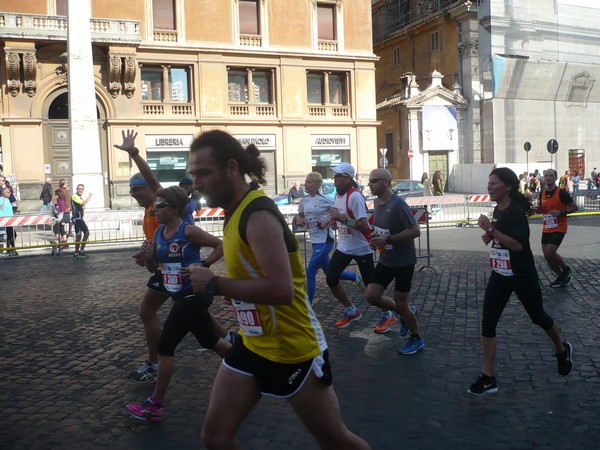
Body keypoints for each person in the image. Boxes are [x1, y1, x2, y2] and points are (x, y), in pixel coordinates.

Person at [187, 130, 371, 450]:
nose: (196, 183)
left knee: (334, 439)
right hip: (254, 343)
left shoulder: (256, 213)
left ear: (231, 168)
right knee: (215, 437)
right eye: (192, 174)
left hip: (293, 348)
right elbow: (254, 275)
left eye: (203, 173)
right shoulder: (235, 211)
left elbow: (281, 290)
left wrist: (215, 284)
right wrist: (235, 288)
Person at [114, 129, 234, 384]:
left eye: (136, 190)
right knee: (184, 319)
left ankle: (156, 365)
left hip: (186, 278)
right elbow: (152, 264)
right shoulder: (157, 216)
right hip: (165, 272)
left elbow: (153, 181)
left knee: (186, 324)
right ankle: (232, 343)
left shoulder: (170, 207)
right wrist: (148, 257)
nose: (133, 195)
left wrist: (134, 153)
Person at [125, 186, 230, 423]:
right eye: (155, 206)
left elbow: (220, 245)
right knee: (211, 341)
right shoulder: (159, 235)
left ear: (174, 208)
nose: (155, 211)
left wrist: (204, 265)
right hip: (179, 296)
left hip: (195, 294)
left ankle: (155, 406)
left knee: (165, 346)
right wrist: (148, 258)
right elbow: (155, 270)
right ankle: (253, 369)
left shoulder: (188, 230)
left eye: (160, 206)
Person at [467, 167, 572, 396]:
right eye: (489, 183)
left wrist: (490, 229)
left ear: (508, 187)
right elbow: (500, 237)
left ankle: (561, 349)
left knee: (538, 317)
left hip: (522, 274)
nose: (489, 187)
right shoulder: (498, 208)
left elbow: (517, 245)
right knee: (488, 322)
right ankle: (488, 378)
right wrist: (490, 236)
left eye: (494, 183)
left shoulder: (515, 211)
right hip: (500, 273)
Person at [365, 169, 424, 353]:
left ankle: (416, 338)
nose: (369, 184)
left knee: (401, 303)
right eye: (369, 181)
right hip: (386, 259)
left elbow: (415, 230)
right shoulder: (376, 201)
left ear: (385, 182)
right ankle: (407, 312)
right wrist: (375, 240)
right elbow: (381, 229)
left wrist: (388, 240)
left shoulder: (399, 204)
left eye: (373, 181)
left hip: (404, 261)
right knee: (371, 296)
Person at [295, 171, 365, 304]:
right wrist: (300, 220)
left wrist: (327, 222)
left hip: (325, 240)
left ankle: (308, 308)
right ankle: (356, 278)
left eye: (309, 182)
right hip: (315, 241)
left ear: (317, 184)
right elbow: (301, 216)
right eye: (305, 182)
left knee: (310, 272)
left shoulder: (325, 199)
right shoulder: (304, 200)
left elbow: (338, 213)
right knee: (330, 272)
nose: (306, 184)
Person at [325, 162, 375, 329]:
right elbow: (341, 218)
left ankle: (389, 313)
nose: (334, 178)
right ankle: (351, 310)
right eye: (335, 175)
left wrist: (342, 220)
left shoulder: (355, 197)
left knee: (371, 289)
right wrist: (335, 224)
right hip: (344, 247)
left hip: (361, 248)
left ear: (347, 179)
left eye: (338, 176)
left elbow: (364, 224)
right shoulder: (337, 196)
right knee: (331, 278)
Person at [535, 168, 578, 288]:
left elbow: (574, 207)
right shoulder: (542, 193)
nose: (548, 177)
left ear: (555, 178)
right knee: (546, 255)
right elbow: (542, 208)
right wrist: (538, 209)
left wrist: (561, 211)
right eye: (546, 175)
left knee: (550, 252)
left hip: (560, 226)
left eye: (551, 175)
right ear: (543, 177)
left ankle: (566, 269)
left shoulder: (561, 193)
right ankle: (562, 276)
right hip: (547, 227)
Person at [71, 184, 92, 259]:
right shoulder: (74, 196)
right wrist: (90, 196)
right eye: (79, 189)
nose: (80, 190)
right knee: (86, 233)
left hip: (78, 218)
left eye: (82, 189)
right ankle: (81, 251)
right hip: (77, 218)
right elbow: (82, 203)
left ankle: (77, 253)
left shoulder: (79, 197)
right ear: (77, 189)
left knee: (78, 235)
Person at [0, 187, 17, 256]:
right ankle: (12, 250)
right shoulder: (1, 199)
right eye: (9, 192)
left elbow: (13, 199)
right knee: (12, 235)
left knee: (11, 235)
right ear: (4, 193)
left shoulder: (7, 199)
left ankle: (9, 250)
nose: (10, 193)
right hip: (5, 220)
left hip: (10, 220)